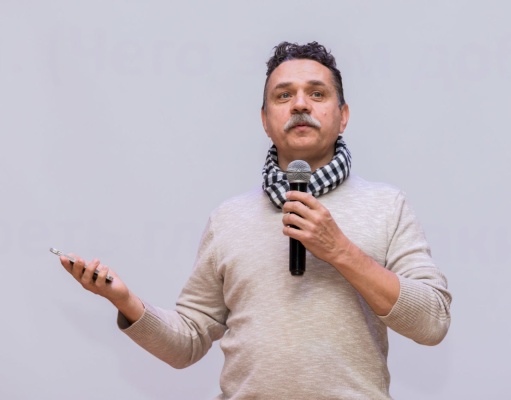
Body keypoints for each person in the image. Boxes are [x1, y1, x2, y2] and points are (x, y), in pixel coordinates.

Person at [59, 41, 452, 399]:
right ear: (265, 120)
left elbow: (432, 322)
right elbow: (188, 342)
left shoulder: (387, 205)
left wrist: (340, 251)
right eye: (284, 95)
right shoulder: (228, 219)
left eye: (317, 93)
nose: (300, 105)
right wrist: (125, 301)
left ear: (343, 116)